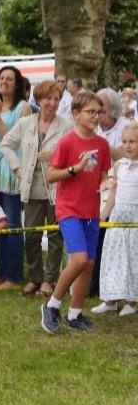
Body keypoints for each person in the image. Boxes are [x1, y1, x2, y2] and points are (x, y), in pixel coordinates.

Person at [40, 91, 111, 334]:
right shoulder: (68, 142)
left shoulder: (102, 145)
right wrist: (75, 168)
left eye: (99, 112)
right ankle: (51, 305)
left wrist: (105, 183)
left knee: (89, 263)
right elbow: (51, 175)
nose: (96, 116)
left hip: (91, 211)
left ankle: (75, 314)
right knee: (79, 259)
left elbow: (103, 173)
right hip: (69, 209)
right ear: (76, 114)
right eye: (91, 112)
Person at [0, 79, 74, 297]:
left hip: (56, 189)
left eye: (56, 99)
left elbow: (73, 153)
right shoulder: (26, 123)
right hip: (31, 188)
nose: (52, 103)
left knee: (55, 236)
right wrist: (17, 169)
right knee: (31, 236)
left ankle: (49, 280)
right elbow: (6, 144)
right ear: (39, 100)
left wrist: (55, 155)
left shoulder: (66, 125)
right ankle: (35, 277)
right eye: (48, 98)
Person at [0, 66, 31, 291]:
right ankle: (1, 273)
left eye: (9, 79)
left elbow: (15, 141)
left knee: (12, 224)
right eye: (2, 78)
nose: (4, 81)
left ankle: (13, 276)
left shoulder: (24, 108)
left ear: (17, 84)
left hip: (12, 173)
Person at [92, 123, 138, 317]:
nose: (128, 146)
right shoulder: (119, 166)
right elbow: (113, 194)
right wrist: (103, 215)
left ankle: (132, 300)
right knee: (113, 257)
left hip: (134, 220)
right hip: (118, 217)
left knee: (132, 259)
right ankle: (110, 298)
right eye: (125, 141)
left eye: (133, 142)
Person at [89, 87, 128, 296]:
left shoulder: (125, 127)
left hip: (117, 190)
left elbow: (125, 152)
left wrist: (100, 146)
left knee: (111, 240)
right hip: (96, 187)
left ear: (112, 109)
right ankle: (93, 285)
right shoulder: (94, 128)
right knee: (95, 238)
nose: (98, 114)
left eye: (101, 109)